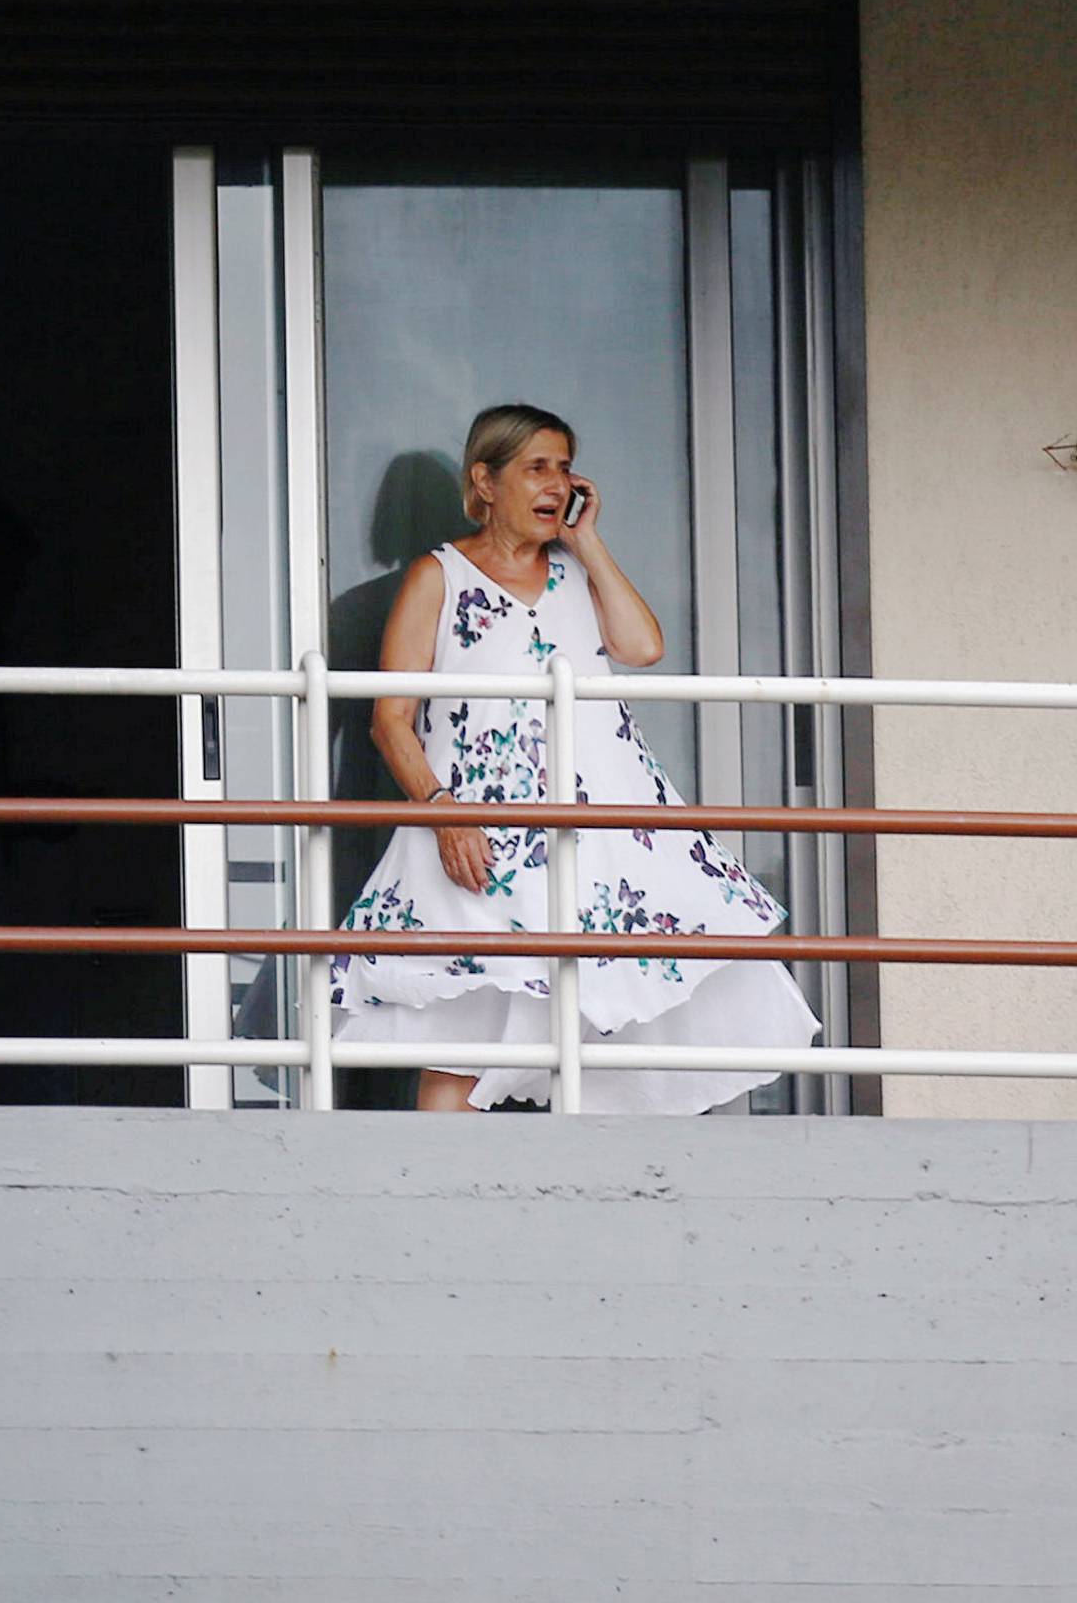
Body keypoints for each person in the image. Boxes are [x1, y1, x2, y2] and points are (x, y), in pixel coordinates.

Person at [332, 402, 819, 1113]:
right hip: (482, 846)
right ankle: (435, 1213)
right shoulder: (439, 578)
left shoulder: (575, 572)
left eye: (563, 467)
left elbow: (642, 648)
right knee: (457, 1045)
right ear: (485, 481)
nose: (555, 483)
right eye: (535, 467)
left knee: (608, 1033)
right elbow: (390, 722)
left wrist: (588, 544)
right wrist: (444, 814)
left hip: (602, 844)